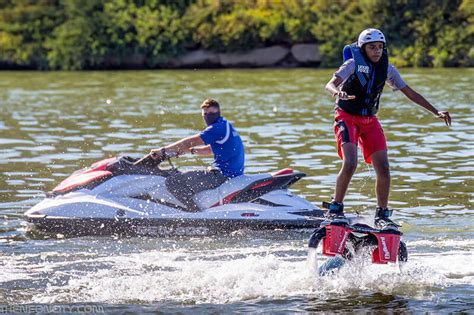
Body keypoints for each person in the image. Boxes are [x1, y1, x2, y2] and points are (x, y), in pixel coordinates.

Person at [324, 28, 451, 230]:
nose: (376, 51)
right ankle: (335, 208)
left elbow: (410, 92)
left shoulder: (388, 69)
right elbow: (330, 84)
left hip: (369, 120)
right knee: (350, 163)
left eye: (380, 47)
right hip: (346, 117)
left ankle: (382, 214)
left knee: (383, 168)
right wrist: (337, 92)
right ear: (362, 48)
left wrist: (435, 111)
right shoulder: (352, 64)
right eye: (372, 47)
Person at [150, 98, 245, 211]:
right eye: (205, 114)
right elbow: (211, 149)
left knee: (173, 181)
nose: (207, 116)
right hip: (230, 174)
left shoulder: (217, 128)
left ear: (218, 112)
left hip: (222, 176)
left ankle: (195, 213)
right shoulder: (226, 125)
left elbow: (189, 142)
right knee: (182, 174)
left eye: (210, 113)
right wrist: (190, 151)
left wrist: (163, 150)